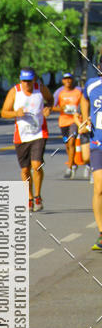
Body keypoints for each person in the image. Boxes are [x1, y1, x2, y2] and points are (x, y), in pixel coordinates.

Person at [0, 67, 52, 213]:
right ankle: (29, 197)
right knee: (25, 169)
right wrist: (16, 113)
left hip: (39, 133)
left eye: (29, 81)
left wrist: (49, 108)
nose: (26, 84)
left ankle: (37, 196)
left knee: (37, 165)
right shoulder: (14, 92)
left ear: (34, 79)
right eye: (24, 81)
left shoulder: (40, 89)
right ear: (20, 80)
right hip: (21, 136)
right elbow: (4, 112)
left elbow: (50, 100)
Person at [80, 73, 102, 251]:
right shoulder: (92, 84)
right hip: (98, 143)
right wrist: (86, 117)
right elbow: (84, 98)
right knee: (99, 188)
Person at [53, 72, 87, 178]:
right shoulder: (59, 92)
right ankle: (73, 163)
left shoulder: (78, 91)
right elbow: (52, 106)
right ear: (63, 80)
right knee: (67, 144)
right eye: (65, 79)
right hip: (63, 122)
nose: (68, 81)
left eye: (69, 79)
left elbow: (85, 103)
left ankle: (70, 166)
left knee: (72, 142)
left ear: (72, 80)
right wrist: (61, 108)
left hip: (75, 121)